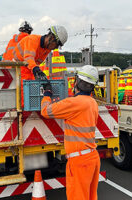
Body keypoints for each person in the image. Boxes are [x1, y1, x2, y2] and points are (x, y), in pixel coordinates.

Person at [40, 65, 100, 200]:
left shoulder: (73, 103)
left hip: (79, 161)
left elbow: (45, 111)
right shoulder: (92, 103)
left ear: (77, 82)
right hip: (92, 157)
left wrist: (47, 94)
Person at [12, 25, 68, 106]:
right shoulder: (32, 40)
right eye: (56, 44)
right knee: (23, 93)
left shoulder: (46, 49)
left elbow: (36, 63)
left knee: (32, 90)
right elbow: (28, 58)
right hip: (18, 68)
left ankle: (29, 109)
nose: (55, 48)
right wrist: (36, 70)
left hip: (28, 68)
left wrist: (40, 74)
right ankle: (23, 112)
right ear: (51, 38)